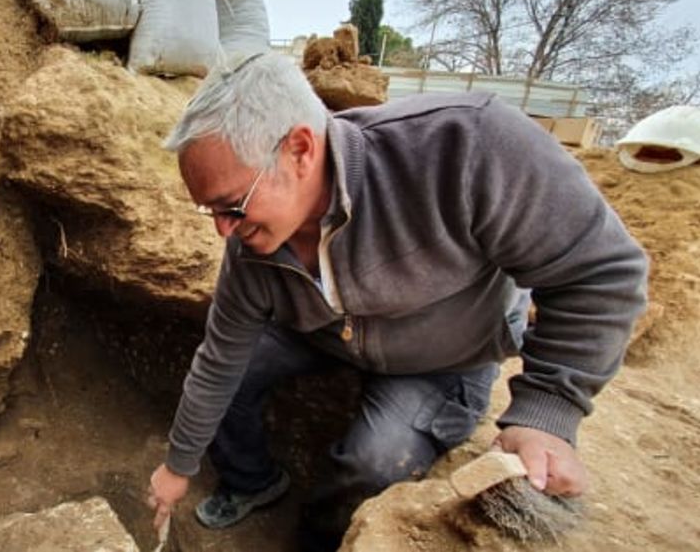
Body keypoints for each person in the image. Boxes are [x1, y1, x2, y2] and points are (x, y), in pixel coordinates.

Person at [145, 52, 648, 550]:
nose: (222, 230)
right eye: (209, 210)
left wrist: (546, 412)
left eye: (231, 205)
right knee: (233, 379)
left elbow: (600, 271)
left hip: (444, 358)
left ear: (300, 149)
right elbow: (218, 360)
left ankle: (320, 540)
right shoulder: (250, 244)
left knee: (373, 464)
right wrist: (177, 466)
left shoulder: (467, 148)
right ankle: (253, 481)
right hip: (325, 333)